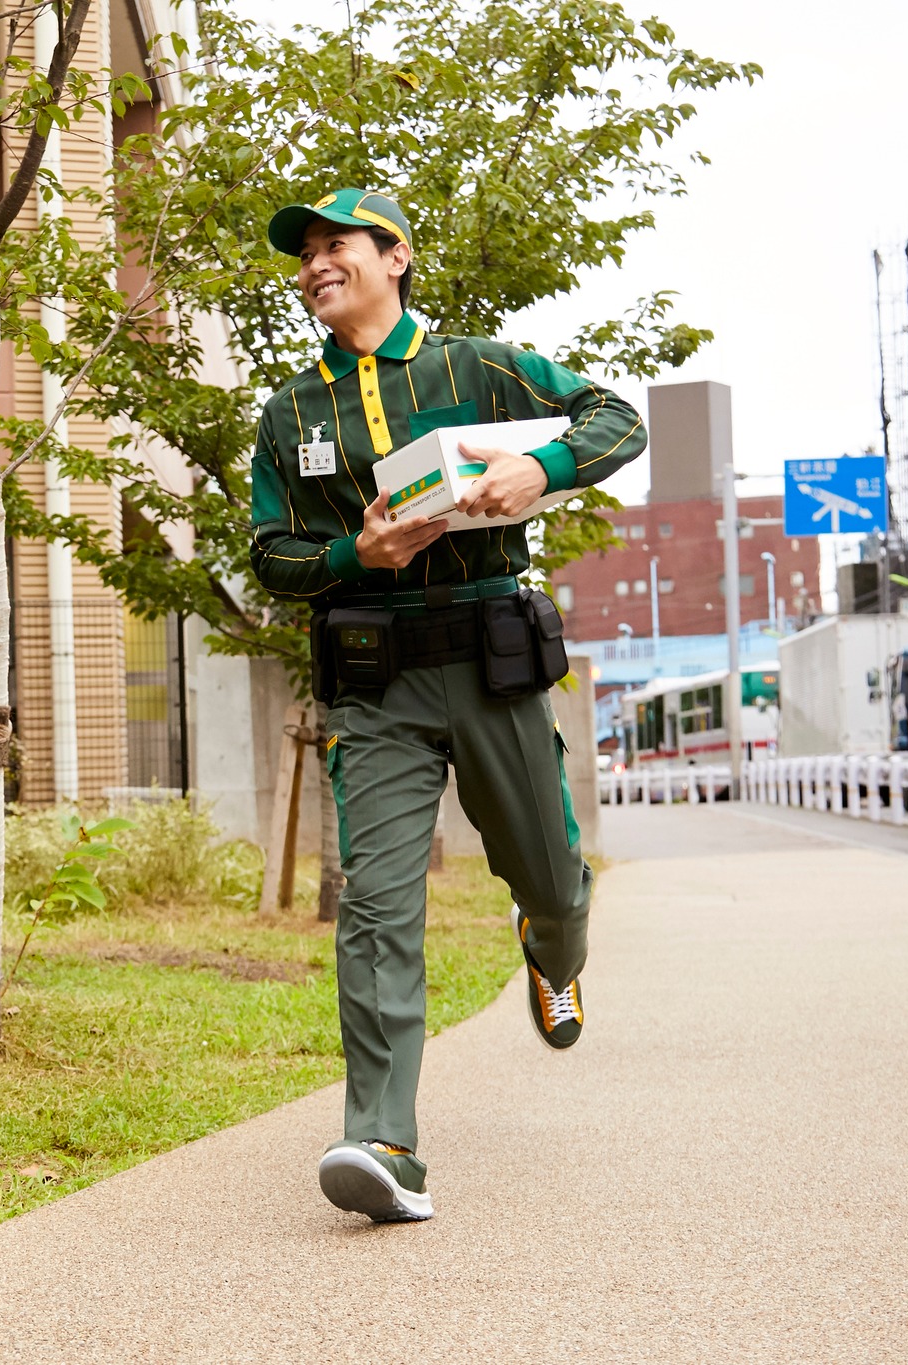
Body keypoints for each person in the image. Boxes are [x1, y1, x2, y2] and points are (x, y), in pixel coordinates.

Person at [247, 188, 647, 1223]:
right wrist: (354, 553)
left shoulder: (478, 366)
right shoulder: (288, 414)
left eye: (334, 245)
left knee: (553, 879)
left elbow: (618, 417)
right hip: (374, 681)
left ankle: (549, 946)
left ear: (394, 256)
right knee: (376, 905)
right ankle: (382, 1140)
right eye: (304, 255)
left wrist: (538, 469)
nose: (314, 265)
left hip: (490, 658)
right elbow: (271, 555)